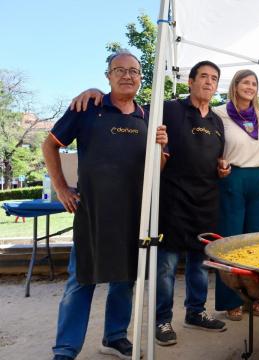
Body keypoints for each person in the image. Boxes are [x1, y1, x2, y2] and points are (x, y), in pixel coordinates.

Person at [68, 60, 229, 347]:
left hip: (205, 200)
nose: (208, 82)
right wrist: (93, 91)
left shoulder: (217, 121)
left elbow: (217, 156)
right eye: (202, 76)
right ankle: (162, 319)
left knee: (199, 263)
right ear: (190, 81)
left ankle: (196, 312)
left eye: (213, 78)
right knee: (165, 265)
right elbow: (129, 105)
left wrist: (222, 168)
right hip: (171, 199)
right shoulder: (168, 108)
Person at [44, 50, 168, 360]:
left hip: (134, 213)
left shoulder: (148, 116)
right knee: (81, 278)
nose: (128, 75)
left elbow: (156, 171)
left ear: (142, 78)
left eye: (134, 71)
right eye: (120, 70)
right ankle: (65, 350)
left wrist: (162, 150)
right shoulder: (89, 107)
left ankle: (114, 337)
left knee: (125, 278)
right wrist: (61, 187)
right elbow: (50, 144)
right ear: (108, 76)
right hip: (94, 212)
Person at [214, 69, 259, 321]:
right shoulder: (219, 113)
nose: (250, 87)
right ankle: (231, 300)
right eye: (245, 82)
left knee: (258, 241)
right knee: (231, 241)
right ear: (235, 85)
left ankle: (256, 298)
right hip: (233, 178)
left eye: (254, 83)